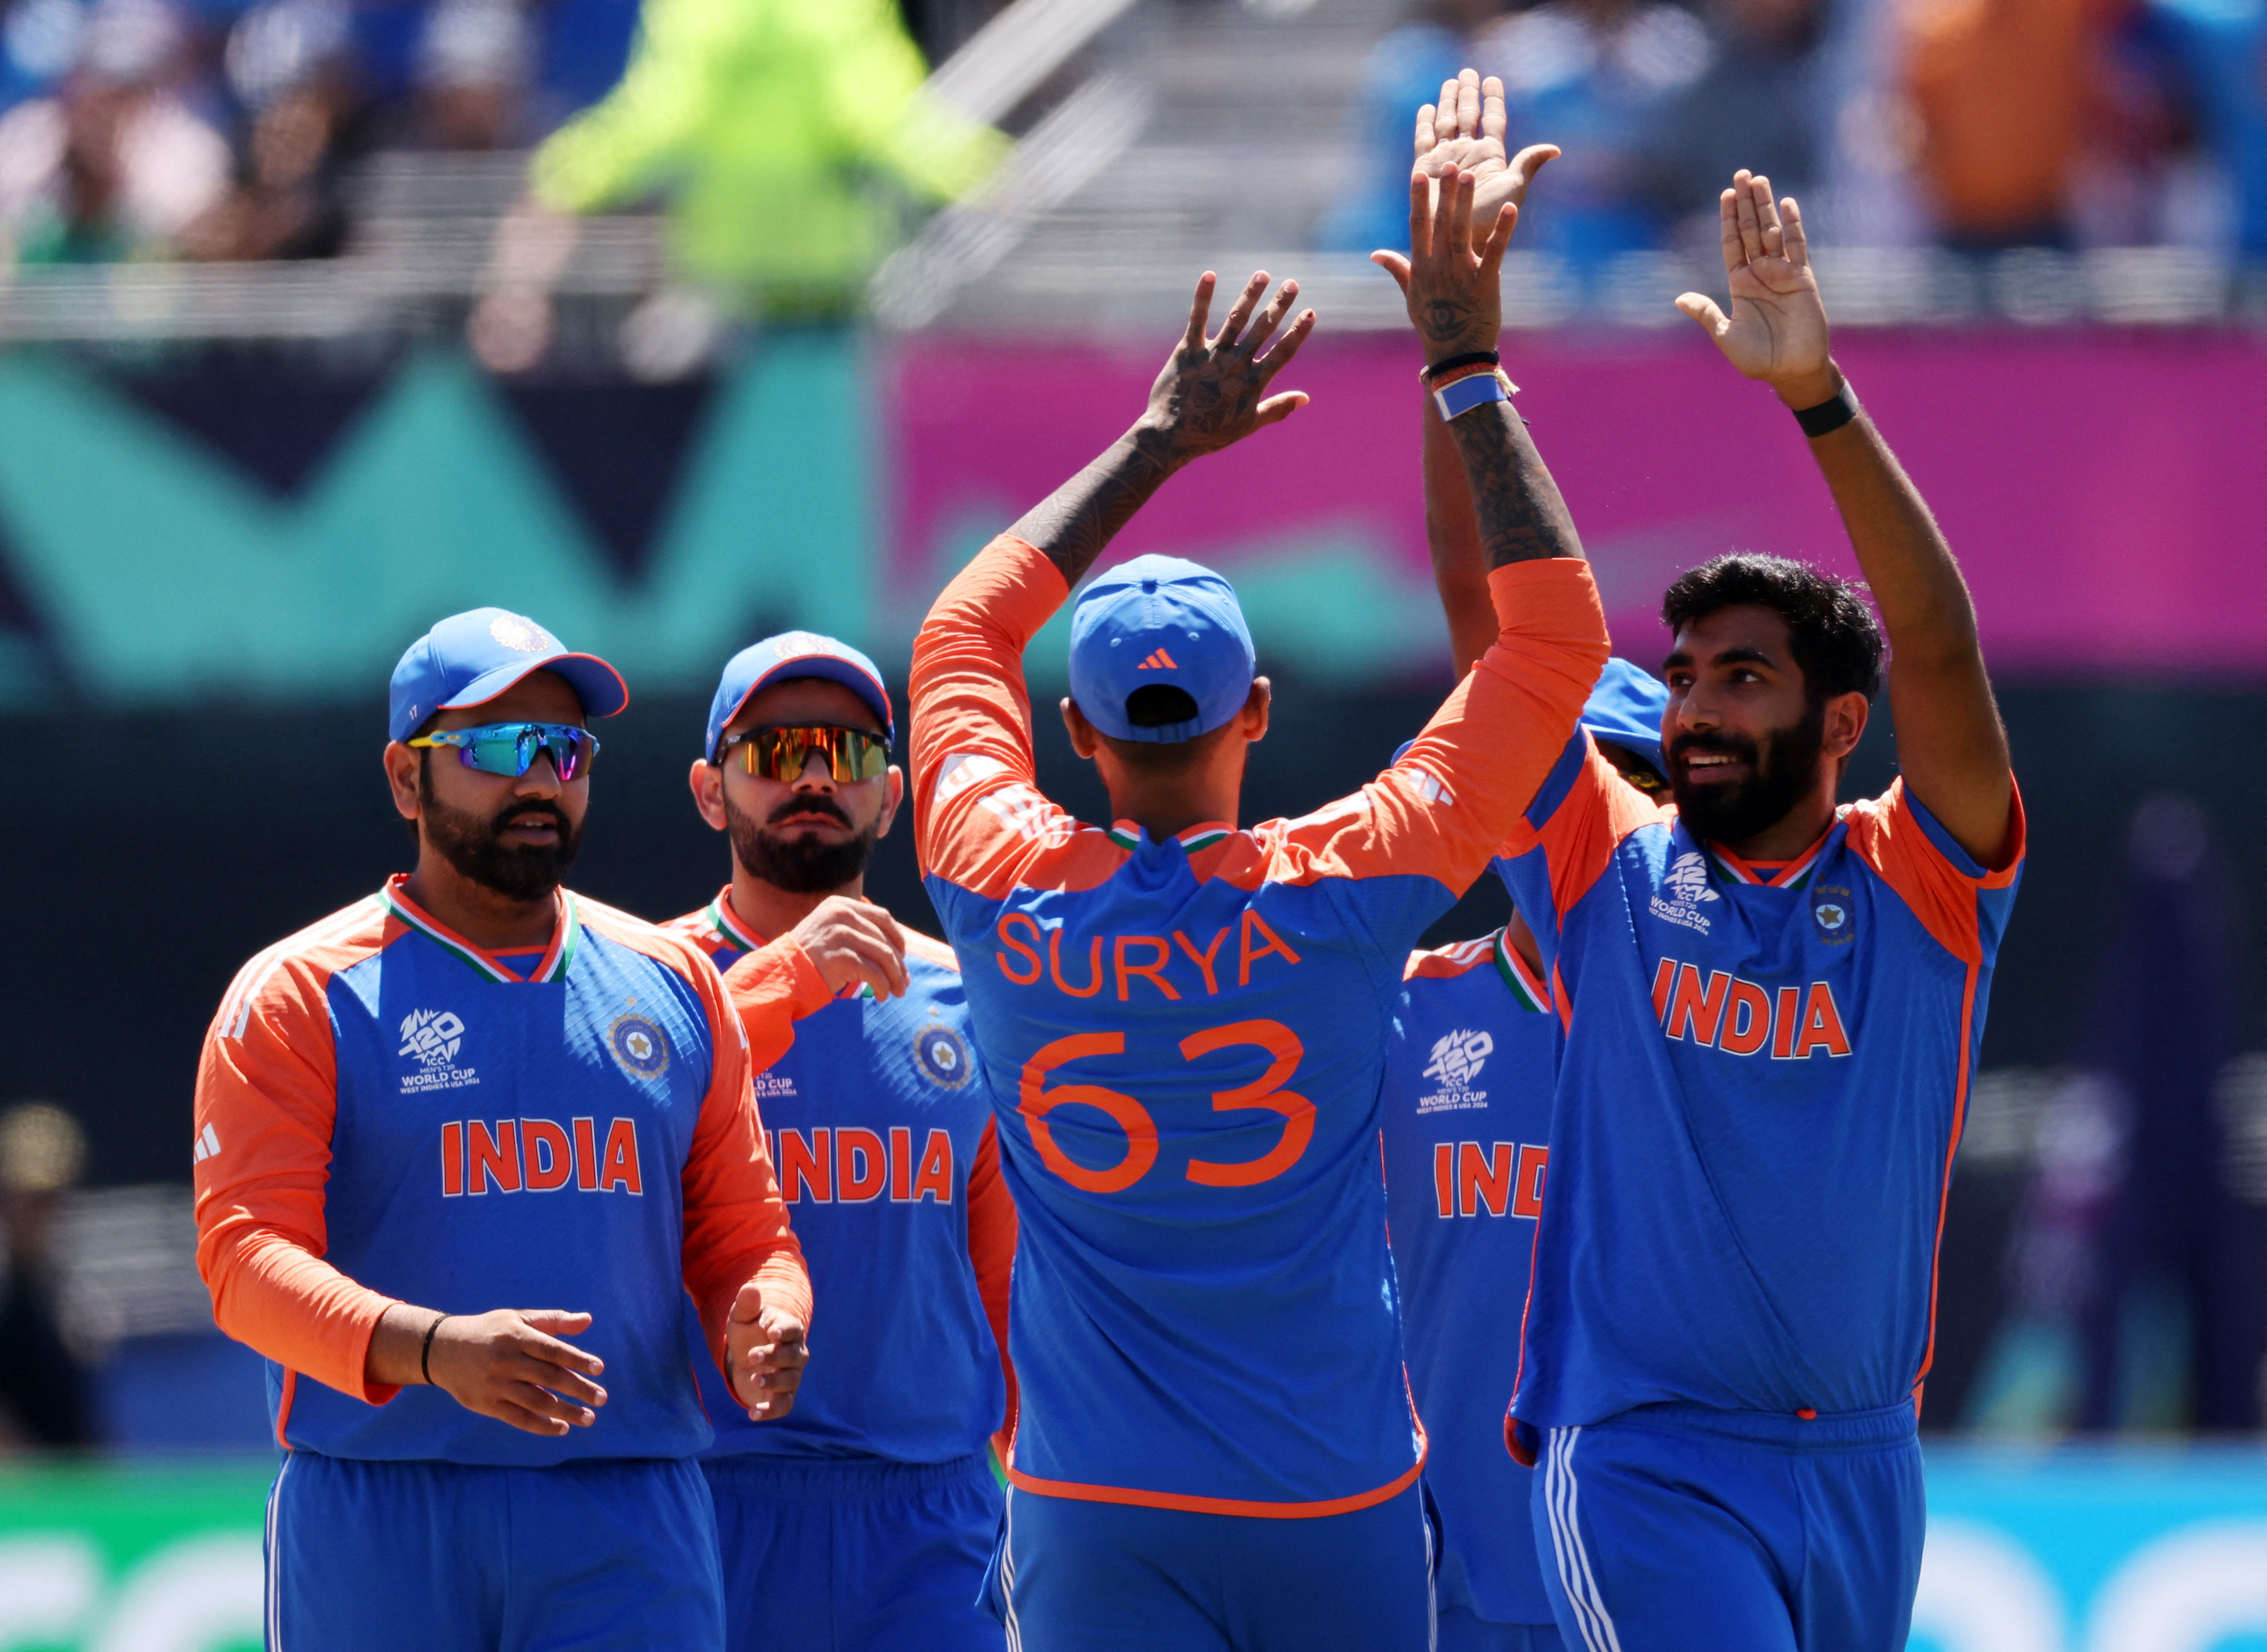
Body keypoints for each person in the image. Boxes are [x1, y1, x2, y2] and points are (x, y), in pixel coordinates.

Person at [906, 138, 1612, 1647]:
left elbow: (962, 637)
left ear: (1077, 733)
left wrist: (1157, 441)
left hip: (1092, 1499)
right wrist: (1466, 363)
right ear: (1260, 711)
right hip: (1331, 1497)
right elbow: (1554, 645)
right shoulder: (1346, 885)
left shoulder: (996, 878)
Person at [1462, 161, 2022, 1652]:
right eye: (1688, 672)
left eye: (1743, 676)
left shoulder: (1922, 884)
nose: (1695, 708)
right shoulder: (1606, 869)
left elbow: (1940, 649)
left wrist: (1817, 397)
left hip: (1861, 1462)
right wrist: (1467, 373)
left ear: (1842, 724)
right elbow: (1512, 646)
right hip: (1648, 1456)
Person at [190, 607, 887, 1650]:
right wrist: (434, 1350)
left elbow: (746, 1237)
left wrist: (766, 1315)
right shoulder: (301, 994)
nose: (540, 779)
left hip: (627, 1514)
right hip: (384, 1507)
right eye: (495, 748)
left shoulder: (672, 982)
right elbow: (244, 1263)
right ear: (403, 777)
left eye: (565, 749)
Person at [665, 630, 1016, 1652]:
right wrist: (787, 978)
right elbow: (614, 1119)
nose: (814, 775)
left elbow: (1006, 1297)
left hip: (926, 1519)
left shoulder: (967, 1000)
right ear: (708, 789)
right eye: (776, 752)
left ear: (892, 792)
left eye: (847, 751)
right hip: (704, 1501)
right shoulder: (647, 985)